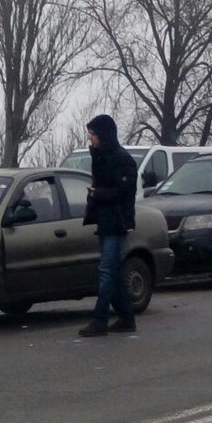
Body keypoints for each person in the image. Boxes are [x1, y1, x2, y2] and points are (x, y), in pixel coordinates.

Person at [80, 114, 139, 337]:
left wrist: (98, 194)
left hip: (117, 221)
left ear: (103, 135)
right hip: (105, 220)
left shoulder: (122, 159)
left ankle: (100, 319)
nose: (90, 138)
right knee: (113, 271)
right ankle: (126, 317)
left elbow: (125, 191)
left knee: (106, 271)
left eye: (93, 134)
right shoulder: (101, 156)